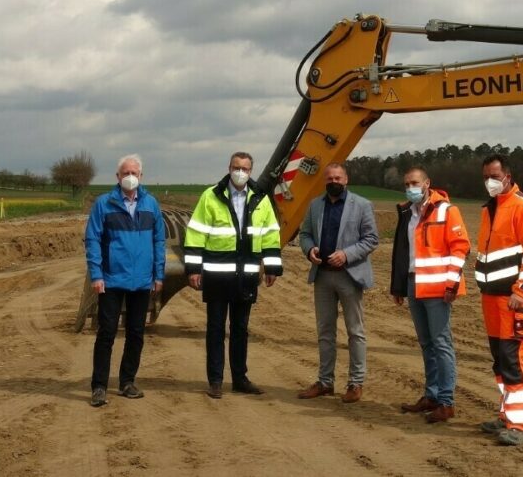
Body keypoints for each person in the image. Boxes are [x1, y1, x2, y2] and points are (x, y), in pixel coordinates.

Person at [185, 152, 282, 399]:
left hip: (246, 276)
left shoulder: (260, 198)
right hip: (217, 275)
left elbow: (270, 233)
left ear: (251, 171)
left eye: (245, 168)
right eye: (237, 167)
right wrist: (194, 269)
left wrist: (271, 267)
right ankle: (215, 381)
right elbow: (196, 234)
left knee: (240, 329)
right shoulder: (211, 196)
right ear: (229, 168)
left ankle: (240, 379)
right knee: (215, 329)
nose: (241, 172)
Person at [474, 153, 523, 445]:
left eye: (494, 176)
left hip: (512, 299)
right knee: (500, 362)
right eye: (485, 177)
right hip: (491, 298)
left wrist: (522, 290)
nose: (489, 182)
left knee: (513, 361)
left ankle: (520, 426)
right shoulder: (489, 209)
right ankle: (507, 416)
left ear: (507, 175)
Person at [84, 154, 166, 407]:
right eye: (125, 173)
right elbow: (93, 240)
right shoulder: (104, 204)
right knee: (107, 333)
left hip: (141, 281)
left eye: (134, 173)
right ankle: (99, 386)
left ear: (141, 176)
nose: (130, 177)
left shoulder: (151, 205)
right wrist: (96, 275)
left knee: (136, 333)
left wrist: (158, 274)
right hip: (111, 280)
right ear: (117, 177)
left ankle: (127, 381)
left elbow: (158, 241)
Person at [390, 167, 470, 424]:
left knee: (441, 343)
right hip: (414, 284)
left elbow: (461, 248)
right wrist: (399, 286)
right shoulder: (408, 213)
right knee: (426, 344)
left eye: (414, 182)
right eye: (406, 184)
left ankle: (446, 402)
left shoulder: (447, 210)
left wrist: (451, 284)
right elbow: (402, 253)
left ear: (427, 184)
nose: (410, 187)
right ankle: (432, 395)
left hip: (438, 289)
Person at [297, 163, 379, 403]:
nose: (334, 181)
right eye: (330, 178)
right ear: (325, 181)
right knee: (325, 331)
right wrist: (309, 248)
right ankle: (325, 382)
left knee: (355, 331)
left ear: (346, 180)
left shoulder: (361, 205)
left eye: (338, 177)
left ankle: (355, 383)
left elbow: (372, 239)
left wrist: (347, 254)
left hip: (349, 275)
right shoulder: (315, 205)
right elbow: (305, 234)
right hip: (322, 276)